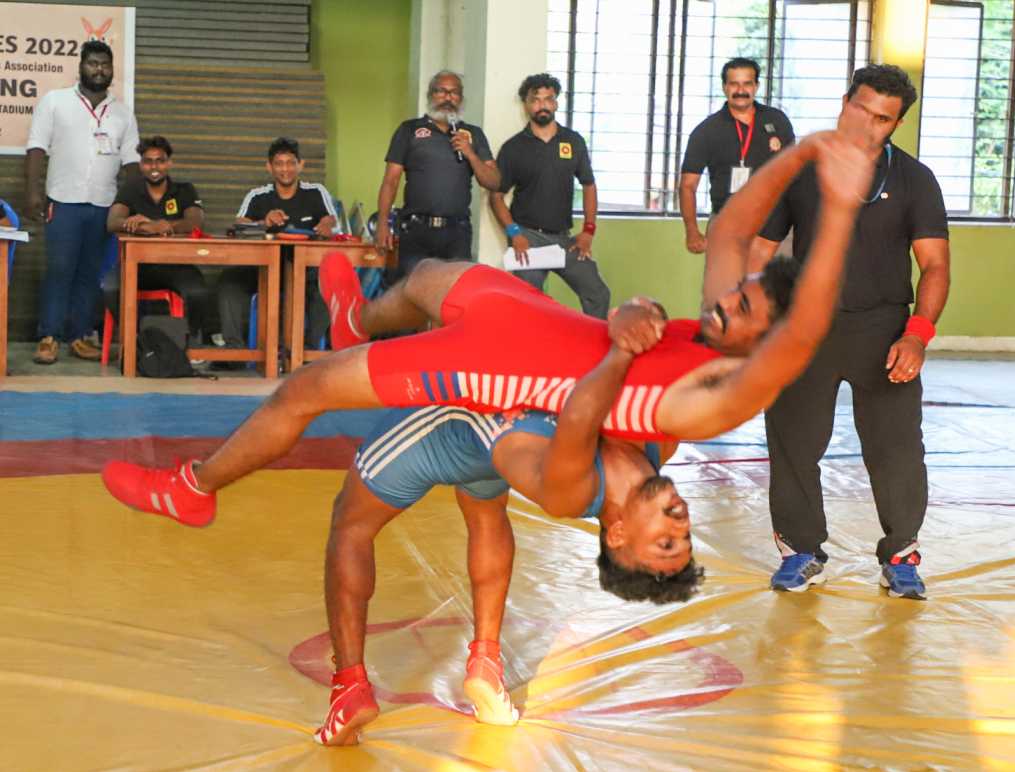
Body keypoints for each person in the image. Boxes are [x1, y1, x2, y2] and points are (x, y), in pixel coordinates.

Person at [100, 125, 875, 592]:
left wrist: (839, 206)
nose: (723, 303)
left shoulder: (710, 401)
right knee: (427, 279)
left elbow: (798, 337)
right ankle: (357, 318)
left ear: (759, 348)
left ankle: (194, 488)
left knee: (304, 388)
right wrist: (807, 151)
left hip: (497, 366)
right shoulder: (706, 335)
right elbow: (732, 228)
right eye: (736, 296)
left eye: (742, 311)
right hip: (533, 318)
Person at [314, 304, 690, 744]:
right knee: (486, 505)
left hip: (459, 424)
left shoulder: (573, 485)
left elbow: (584, 406)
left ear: (619, 534)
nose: (681, 522)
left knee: (351, 524)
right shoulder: (657, 448)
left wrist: (624, 338)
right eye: (685, 536)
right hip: (498, 442)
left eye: (666, 541)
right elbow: (662, 360)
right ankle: (486, 662)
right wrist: (646, 320)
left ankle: (350, 686)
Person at [749, 64, 951, 600]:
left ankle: (901, 553)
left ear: (896, 125)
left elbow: (934, 265)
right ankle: (802, 551)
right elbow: (761, 249)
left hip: (884, 331)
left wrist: (917, 335)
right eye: (860, 109)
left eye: (882, 118)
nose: (867, 123)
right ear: (845, 103)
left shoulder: (914, 180)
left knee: (896, 448)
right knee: (793, 443)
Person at [25, 39, 139, 364]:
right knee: (60, 269)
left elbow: (132, 163)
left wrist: (130, 205)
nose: (99, 69)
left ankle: (78, 336)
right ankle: (49, 337)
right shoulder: (55, 101)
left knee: (90, 274)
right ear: (81, 67)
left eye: (105, 64)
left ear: (112, 69)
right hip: (63, 201)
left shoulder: (122, 114)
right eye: (93, 63)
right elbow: (36, 147)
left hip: (104, 206)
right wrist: (33, 192)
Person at [489, 73, 609, 318]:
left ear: (555, 103)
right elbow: (496, 197)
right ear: (526, 105)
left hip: (564, 239)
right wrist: (514, 233)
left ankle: (592, 341)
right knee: (530, 304)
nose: (541, 105)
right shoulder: (513, 148)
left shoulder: (573, 141)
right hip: (528, 239)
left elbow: (589, 185)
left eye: (548, 99)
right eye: (535, 100)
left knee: (597, 294)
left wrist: (588, 230)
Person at [217, 137, 339, 359]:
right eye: (279, 164)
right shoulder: (257, 195)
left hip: (305, 271)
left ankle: (307, 353)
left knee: (324, 287)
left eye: (291, 163)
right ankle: (234, 352)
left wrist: (326, 224)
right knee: (228, 283)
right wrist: (263, 222)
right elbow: (238, 227)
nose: (285, 169)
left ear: (301, 165)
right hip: (262, 270)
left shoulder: (316, 192)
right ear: (269, 167)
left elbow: (331, 220)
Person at [375, 70, 500, 283]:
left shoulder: (473, 134)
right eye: (441, 91)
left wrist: (470, 153)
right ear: (430, 95)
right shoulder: (409, 130)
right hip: (416, 230)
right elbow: (390, 181)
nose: (448, 98)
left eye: (454, 92)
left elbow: (494, 181)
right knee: (411, 292)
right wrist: (382, 223)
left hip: (457, 233)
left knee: (454, 293)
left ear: (461, 98)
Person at [678, 57, 795, 255]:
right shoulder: (707, 131)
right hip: (727, 223)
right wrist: (692, 231)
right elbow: (688, 186)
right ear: (724, 87)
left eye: (747, 83)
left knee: (779, 276)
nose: (741, 90)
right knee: (726, 276)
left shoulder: (777, 120)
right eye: (734, 84)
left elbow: (795, 171)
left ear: (756, 86)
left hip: (776, 224)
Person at [101, 136, 210, 344]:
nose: (154, 167)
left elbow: (195, 222)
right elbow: (113, 222)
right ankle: (135, 341)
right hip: (136, 266)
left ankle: (191, 343)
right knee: (111, 288)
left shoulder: (184, 190)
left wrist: (163, 225)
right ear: (141, 164)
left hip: (176, 266)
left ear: (169, 163)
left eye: (160, 161)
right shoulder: (131, 190)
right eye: (148, 161)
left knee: (198, 292)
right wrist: (147, 227)